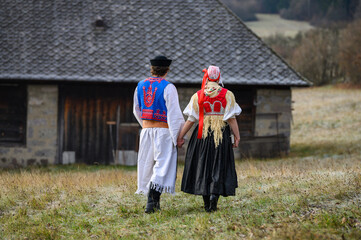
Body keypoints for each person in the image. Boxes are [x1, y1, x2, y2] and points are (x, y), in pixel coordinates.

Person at [177, 65, 241, 212]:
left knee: (203, 165)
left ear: (206, 78)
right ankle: (214, 196)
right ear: (218, 77)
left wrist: (181, 136)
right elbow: (231, 118)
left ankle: (207, 204)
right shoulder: (227, 94)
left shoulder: (198, 95)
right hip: (221, 134)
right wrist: (237, 136)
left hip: (202, 135)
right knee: (218, 164)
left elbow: (191, 119)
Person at [133, 56, 185, 213]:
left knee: (146, 164)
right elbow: (174, 114)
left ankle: (154, 202)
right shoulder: (168, 87)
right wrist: (178, 136)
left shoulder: (140, 86)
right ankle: (151, 202)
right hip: (163, 131)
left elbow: (136, 109)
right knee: (162, 164)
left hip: (146, 130)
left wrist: (145, 125)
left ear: (152, 68)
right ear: (167, 70)